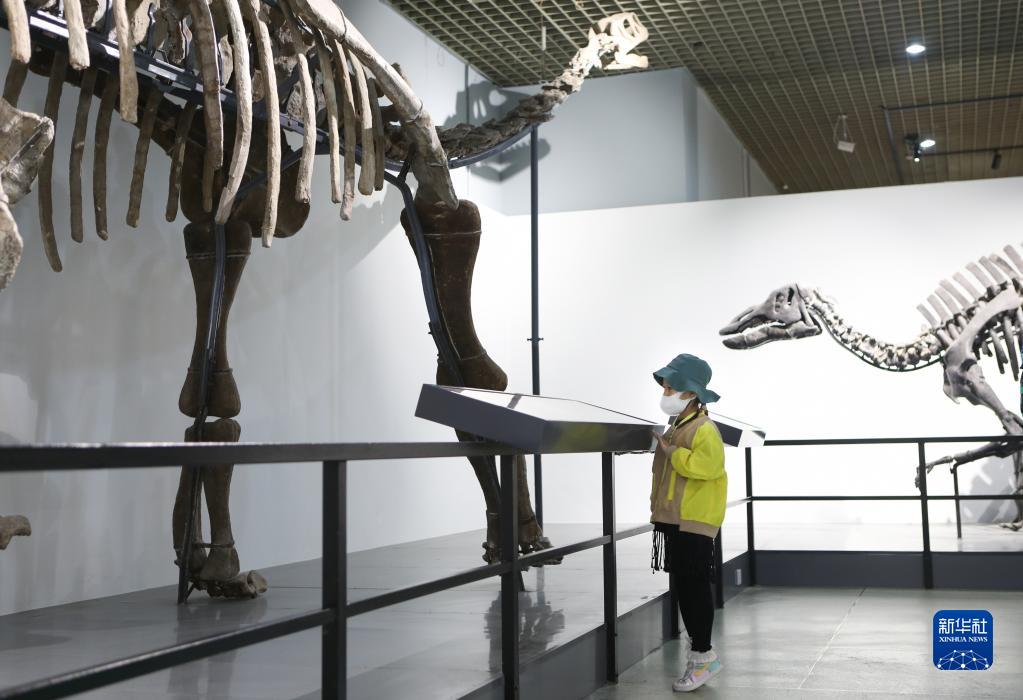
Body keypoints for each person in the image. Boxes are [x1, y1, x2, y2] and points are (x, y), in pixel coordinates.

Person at [649, 353, 727, 692]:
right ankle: (699, 655)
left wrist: (670, 451)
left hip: (693, 521)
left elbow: (705, 468)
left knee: (694, 590)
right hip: (677, 519)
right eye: (665, 387)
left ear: (691, 393)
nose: (665, 393)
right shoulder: (680, 424)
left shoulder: (704, 428)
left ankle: (703, 657)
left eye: (671, 388)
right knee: (686, 587)